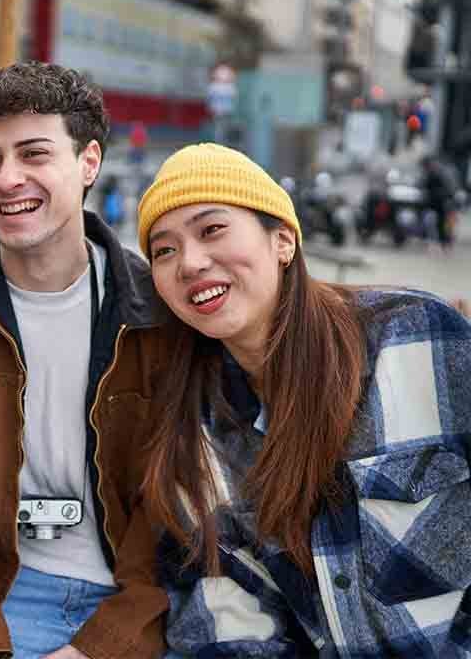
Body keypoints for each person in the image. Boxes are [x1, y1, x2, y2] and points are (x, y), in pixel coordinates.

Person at [136, 143, 471, 656]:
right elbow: (229, 622)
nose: (190, 262)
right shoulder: (195, 436)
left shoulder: (418, 338)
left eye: (212, 229)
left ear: (283, 241)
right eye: (164, 250)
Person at [0, 61, 168, 659]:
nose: (7, 179)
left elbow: (180, 509)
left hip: (140, 606)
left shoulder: (158, 313)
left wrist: (105, 646)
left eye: (34, 154)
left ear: (89, 162)